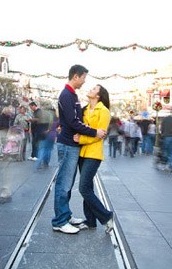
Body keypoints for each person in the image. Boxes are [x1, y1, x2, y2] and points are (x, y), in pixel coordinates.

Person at [52, 65, 106, 234]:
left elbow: (73, 120)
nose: (84, 82)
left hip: (72, 144)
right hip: (68, 144)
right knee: (63, 184)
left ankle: (65, 216)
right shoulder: (67, 94)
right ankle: (60, 221)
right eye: (83, 78)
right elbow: (74, 122)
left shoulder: (72, 95)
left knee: (67, 183)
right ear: (76, 76)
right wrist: (94, 132)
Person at [73, 84, 114, 233]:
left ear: (99, 95)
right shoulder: (84, 110)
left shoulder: (104, 111)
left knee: (83, 188)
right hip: (82, 153)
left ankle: (106, 216)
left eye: (94, 89)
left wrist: (81, 139)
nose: (90, 89)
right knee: (88, 188)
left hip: (93, 154)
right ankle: (90, 221)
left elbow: (99, 135)